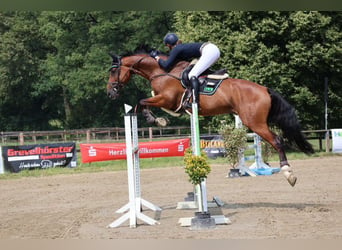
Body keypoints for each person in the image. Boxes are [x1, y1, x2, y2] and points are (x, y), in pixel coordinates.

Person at [150, 33, 220, 108]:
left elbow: (165, 65)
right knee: (196, 70)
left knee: (192, 75)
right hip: (211, 49)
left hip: (209, 51)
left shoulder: (176, 49)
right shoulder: (180, 47)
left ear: (168, 45)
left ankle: (195, 103)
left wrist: (156, 57)